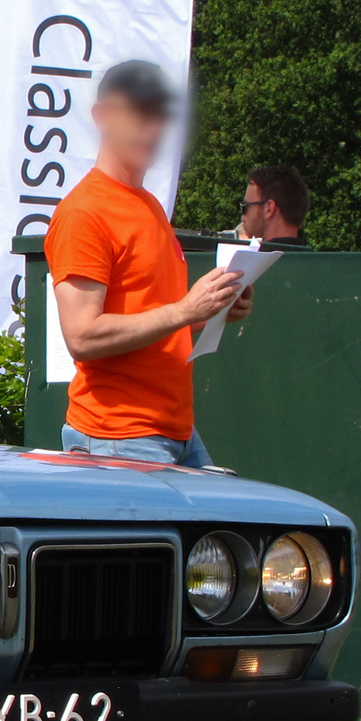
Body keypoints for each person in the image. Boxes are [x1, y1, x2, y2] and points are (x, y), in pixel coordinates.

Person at [46, 60, 252, 468]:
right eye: (141, 113)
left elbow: (154, 318)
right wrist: (184, 310)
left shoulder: (149, 206)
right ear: (101, 115)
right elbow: (82, 337)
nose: (154, 128)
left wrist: (214, 309)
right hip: (116, 438)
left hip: (172, 432)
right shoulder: (84, 213)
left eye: (161, 116)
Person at [236, 163, 312, 246]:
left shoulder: (254, 259)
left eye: (245, 207)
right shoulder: (317, 258)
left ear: (269, 208)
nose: (242, 217)